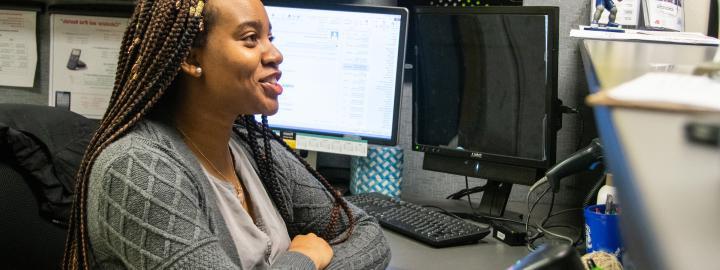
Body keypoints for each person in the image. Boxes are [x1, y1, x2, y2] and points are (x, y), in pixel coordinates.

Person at [61, 0, 391, 269]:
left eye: (270, 38)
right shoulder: (136, 168)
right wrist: (303, 259)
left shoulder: (251, 147)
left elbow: (364, 233)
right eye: (250, 38)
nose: (275, 54)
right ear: (191, 58)